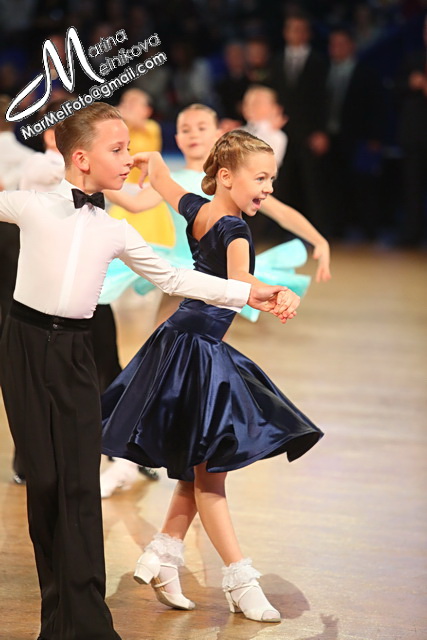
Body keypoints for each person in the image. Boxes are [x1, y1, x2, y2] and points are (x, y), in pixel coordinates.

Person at [0, 102, 292, 640]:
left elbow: (175, 278)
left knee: (79, 486)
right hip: (22, 347)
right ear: (82, 159)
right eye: (118, 149)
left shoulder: (115, 230)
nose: (128, 158)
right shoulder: (32, 205)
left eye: (129, 148)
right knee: (43, 482)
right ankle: (55, 619)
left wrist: (249, 292)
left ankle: (88, 623)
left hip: (76, 353)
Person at [101, 131, 324, 623]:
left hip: (178, 340)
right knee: (211, 477)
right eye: (260, 178)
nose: (268, 188)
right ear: (226, 176)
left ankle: (162, 555)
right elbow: (239, 281)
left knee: (197, 464)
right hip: (198, 350)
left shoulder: (198, 210)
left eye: (271, 179)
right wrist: (277, 292)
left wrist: (151, 162)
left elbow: (164, 184)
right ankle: (241, 580)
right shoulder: (235, 228)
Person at [268, 13, 329, 233]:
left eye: (302, 29)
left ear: (308, 33)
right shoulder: (276, 60)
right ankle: (277, 231)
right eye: (293, 29)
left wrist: (321, 131)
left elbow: (324, 98)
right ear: (285, 32)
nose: (297, 33)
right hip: (280, 132)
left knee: (314, 184)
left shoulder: (320, 62)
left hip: (309, 132)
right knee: (280, 183)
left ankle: (319, 230)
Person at [240, 85, 288, 168]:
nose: (250, 106)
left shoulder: (276, 136)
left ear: (274, 108)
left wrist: (267, 128)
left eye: (257, 103)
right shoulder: (237, 131)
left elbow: (265, 165)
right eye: (246, 102)